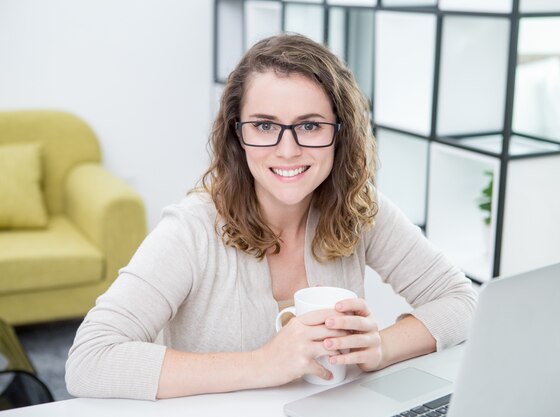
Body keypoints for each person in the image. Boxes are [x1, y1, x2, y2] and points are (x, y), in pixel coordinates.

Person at [65, 33, 476, 400]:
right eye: (264, 126)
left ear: (340, 132)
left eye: (310, 126)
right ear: (236, 134)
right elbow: (89, 359)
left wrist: (381, 348)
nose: (288, 150)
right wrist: (265, 363)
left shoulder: (359, 206)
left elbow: (462, 302)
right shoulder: (191, 230)